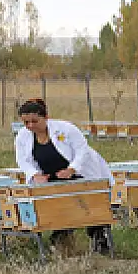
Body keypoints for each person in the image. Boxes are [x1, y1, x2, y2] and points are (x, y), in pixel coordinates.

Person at [14, 98, 114, 254]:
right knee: (59, 209)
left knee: (90, 207)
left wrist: (72, 169)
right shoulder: (23, 136)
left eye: (35, 121)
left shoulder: (66, 129)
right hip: (51, 178)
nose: (30, 126)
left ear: (46, 117)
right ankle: (61, 239)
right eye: (26, 122)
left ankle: (100, 240)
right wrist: (34, 175)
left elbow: (82, 150)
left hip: (80, 175)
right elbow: (23, 160)